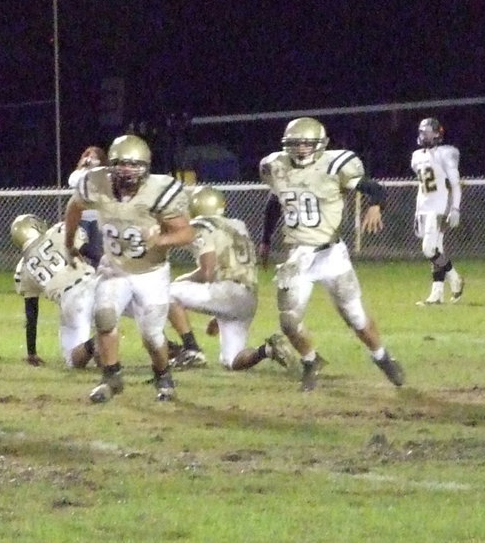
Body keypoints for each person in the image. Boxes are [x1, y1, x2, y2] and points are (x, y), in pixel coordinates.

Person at [259, 117, 405, 392]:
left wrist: (376, 205)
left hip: (331, 254)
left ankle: (383, 357)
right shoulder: (275, 166)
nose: (301, 148)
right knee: (289, 322)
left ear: (320, 144)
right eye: (296, 143)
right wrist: (265, 240)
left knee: (356, 318)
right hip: (298, 257)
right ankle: (311, 361)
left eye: (306, 143)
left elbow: (373, 188)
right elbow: (275, 201)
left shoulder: (334, 165)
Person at [64, 134, 195, 403]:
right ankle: (111, 377)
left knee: (152, 336)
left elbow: (186, 233)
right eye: (121, 164)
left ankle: (163, 374)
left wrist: (161, 239)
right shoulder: (96, 182)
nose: (127, 171)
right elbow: (74, 206)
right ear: (111, 164)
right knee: (104, 316)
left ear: (146, 168)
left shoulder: (159, 191)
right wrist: (69, 242)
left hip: (151, 273)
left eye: (134, 165)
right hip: (115, 267)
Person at [169, 186, 295, 371]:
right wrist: (218, 310)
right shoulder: (238, 224)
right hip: (248, 297)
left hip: (227, 291)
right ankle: (267, 350)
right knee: (232, 361)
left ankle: (191, 349)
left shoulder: (201, 226)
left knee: (166, 292)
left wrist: (181, 280)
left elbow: (207, 272)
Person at [10, 214, 97, 368]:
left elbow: (32, 313)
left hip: (71, 300)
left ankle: (97, 343)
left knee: (73, 359)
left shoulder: (23, 269)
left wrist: (31, 352)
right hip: (94, 284)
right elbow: (87, 249)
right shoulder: (57, 231)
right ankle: (105, 342)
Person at [410, 117, 465, 305]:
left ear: (437, 134)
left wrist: (455, 208)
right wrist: (418, 210)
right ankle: (437, 294)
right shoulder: (417, 156)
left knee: (428, 249)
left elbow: (455, 185)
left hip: (439, 207)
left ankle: (455, 277)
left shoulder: (445, 154)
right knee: (437, 250)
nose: (423, 135)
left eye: (427, 132)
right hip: (423, 207)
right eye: (421, 131)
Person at [67, 146, 107, 267]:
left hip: (96, 218)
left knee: (97, 251)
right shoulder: (79, 173)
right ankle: (79, 272)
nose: (90, 159)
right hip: (81, 218)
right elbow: (73, 182)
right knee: (80, 246)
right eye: (88, 156)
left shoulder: (103, 173)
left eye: (94, 157)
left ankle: (96, 274)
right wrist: (83, 167)